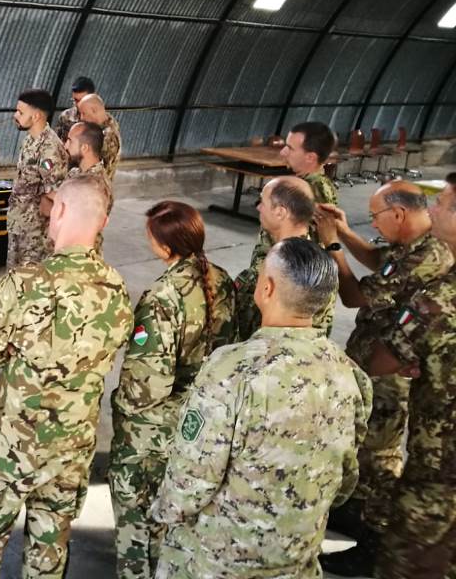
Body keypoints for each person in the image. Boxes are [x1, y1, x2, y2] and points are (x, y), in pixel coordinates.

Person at [152, 238, 372, 578]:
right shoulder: (350, 376)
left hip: (218, 563)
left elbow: (191, 481)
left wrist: (164, 512)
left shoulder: (230, 370)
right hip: (296, 561)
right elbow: (344, 481)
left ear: (267, 288)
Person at [0, 176, 134, 578]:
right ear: (103, 222)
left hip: (13, 446)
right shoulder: (116, 288)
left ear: (60, 210)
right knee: (49, 549)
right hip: (72, 448)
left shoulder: (24, 284)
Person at [315, 180, 454, 575]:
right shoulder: (411, 244)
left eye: (376, 217)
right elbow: (381, 261)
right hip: (382, 363)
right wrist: (346, 232)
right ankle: (360, 516)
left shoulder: (428, 255)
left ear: (398, 214)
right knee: (368, 450)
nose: (373, 224)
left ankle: (373, 541)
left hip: (391, 376)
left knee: (380, 456)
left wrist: (332, 245)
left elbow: (354, 296)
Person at [108, 201, 235, 579]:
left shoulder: (163, 297)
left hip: (154, 432)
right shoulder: (221, 278)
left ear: (165, 247)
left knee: (137, 518)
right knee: (176, 514)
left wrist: (120, 406)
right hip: (202, 419)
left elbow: (146, 386)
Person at [369, 172, 456, 579]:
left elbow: (384, 360)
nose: (432, 208)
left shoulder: (441, 300)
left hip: (439, 473)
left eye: (443, 203)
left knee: (408, 563)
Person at [233, 176, 334, 340]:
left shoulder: (271, 272)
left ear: (280, 212)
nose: (258, 207)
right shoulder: (320, 265)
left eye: (262, 202)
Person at [250, 121, 339, 266]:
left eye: (290, 148)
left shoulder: (310, 191)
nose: (283, 152)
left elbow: (300, 250)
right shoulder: (315, 185)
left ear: (310, 157)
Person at [7, 88, 68, 268]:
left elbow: (56, 194)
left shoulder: (50, 149)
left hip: (35, 233)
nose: (15, 115)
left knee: (31, 277)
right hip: (19, 222)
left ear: (36, 116)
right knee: (14, 276)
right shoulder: (30, 140)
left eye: (20, 112)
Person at [62, 120, 113, 253]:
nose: (65, 146)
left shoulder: (96, 185)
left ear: (85, 148)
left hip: (82, 254)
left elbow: (69, 217)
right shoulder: (75, 173)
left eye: (70, 141)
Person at [77, 93, 121, 181]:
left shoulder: (107, 137)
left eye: (84, 113)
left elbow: (94, 167)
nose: (81, 118)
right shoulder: (106, 123)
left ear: (94, 110)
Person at [53, 75, 95, 142]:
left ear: (92, 97)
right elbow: (56, 141)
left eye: (82, 100)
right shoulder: (66, 116)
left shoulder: (99, 119)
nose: (78, 104)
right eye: (75, 100)